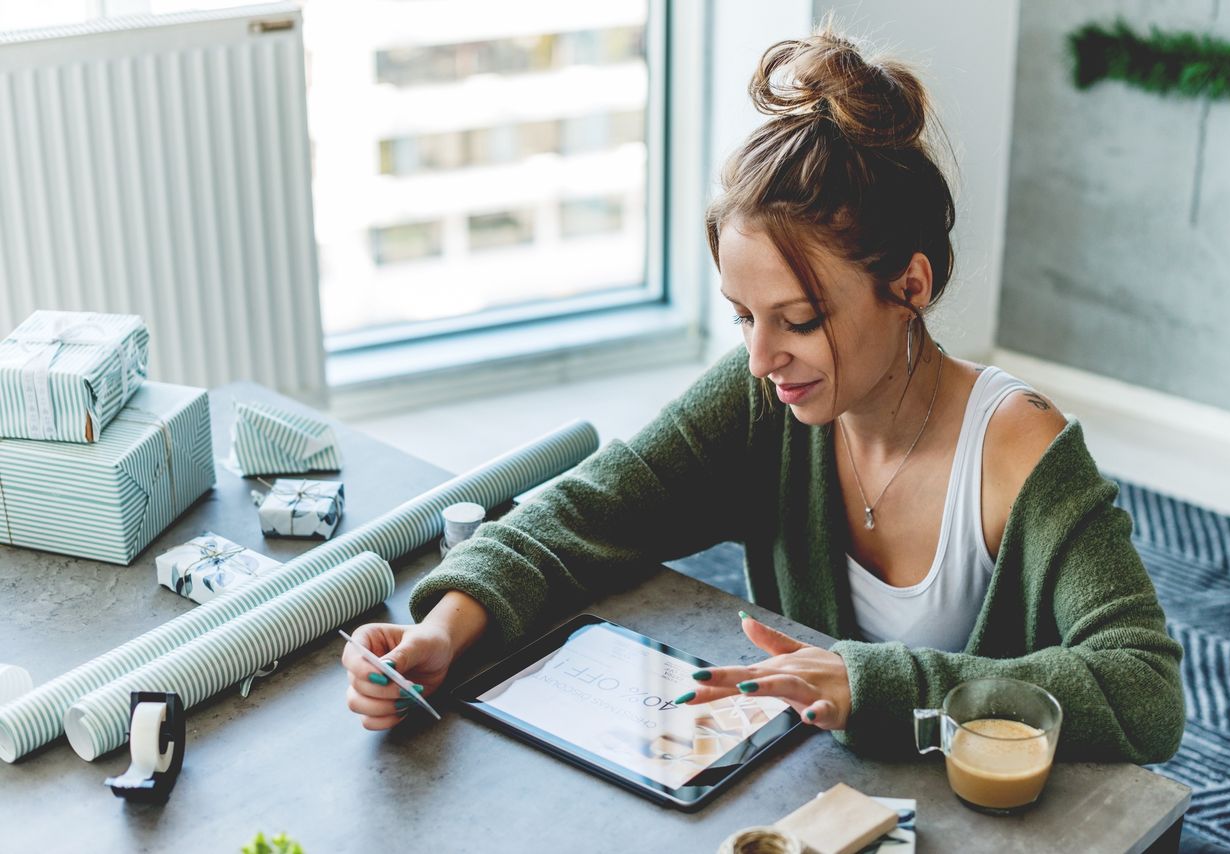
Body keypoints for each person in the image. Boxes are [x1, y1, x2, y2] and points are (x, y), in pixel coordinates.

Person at [342, 27, 1184, 763]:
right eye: (744, 317)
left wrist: (874, 686)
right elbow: (589, 510)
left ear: (911, 284)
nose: (762, 359)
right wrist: (442, 632)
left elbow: (1144, 691)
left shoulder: (1019, 452)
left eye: (801, 320)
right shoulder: (766, 403)